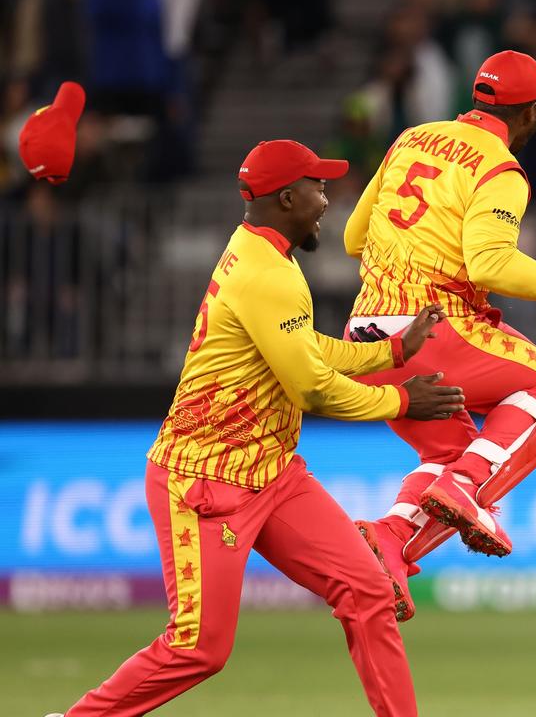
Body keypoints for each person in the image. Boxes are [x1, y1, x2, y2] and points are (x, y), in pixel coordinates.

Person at [49, 140, 466, 717]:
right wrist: (400, 400)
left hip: (270, 473)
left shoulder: (263, 254)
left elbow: (302, 351)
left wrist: (392, 351)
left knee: (369, 592)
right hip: (203, 482)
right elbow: (312, 388)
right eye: (320, 189)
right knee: (199, 648)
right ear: (289, 197)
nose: (327, 200)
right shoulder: (268, 273)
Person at [340, 50, 536, 621]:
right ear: (533, 112)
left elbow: (351, 237)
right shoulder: (501, 170)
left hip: (366, 333)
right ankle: (468, 484)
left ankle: (389, 537)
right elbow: (490, 264)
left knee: (445, 448)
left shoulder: (411, 138)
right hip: (431, 328)